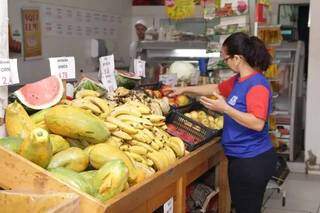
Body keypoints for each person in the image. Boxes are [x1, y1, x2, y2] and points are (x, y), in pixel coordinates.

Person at [167, 32, 277, 213]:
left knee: (247, 209)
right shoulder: (238, 80)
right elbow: (215, 88)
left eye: (225, 59)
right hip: (240, 157)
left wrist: (225, 108)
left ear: (237, 58)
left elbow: (257, 122)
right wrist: (184, 89)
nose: (225, 62)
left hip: (252, 160)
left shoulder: (257, 85)